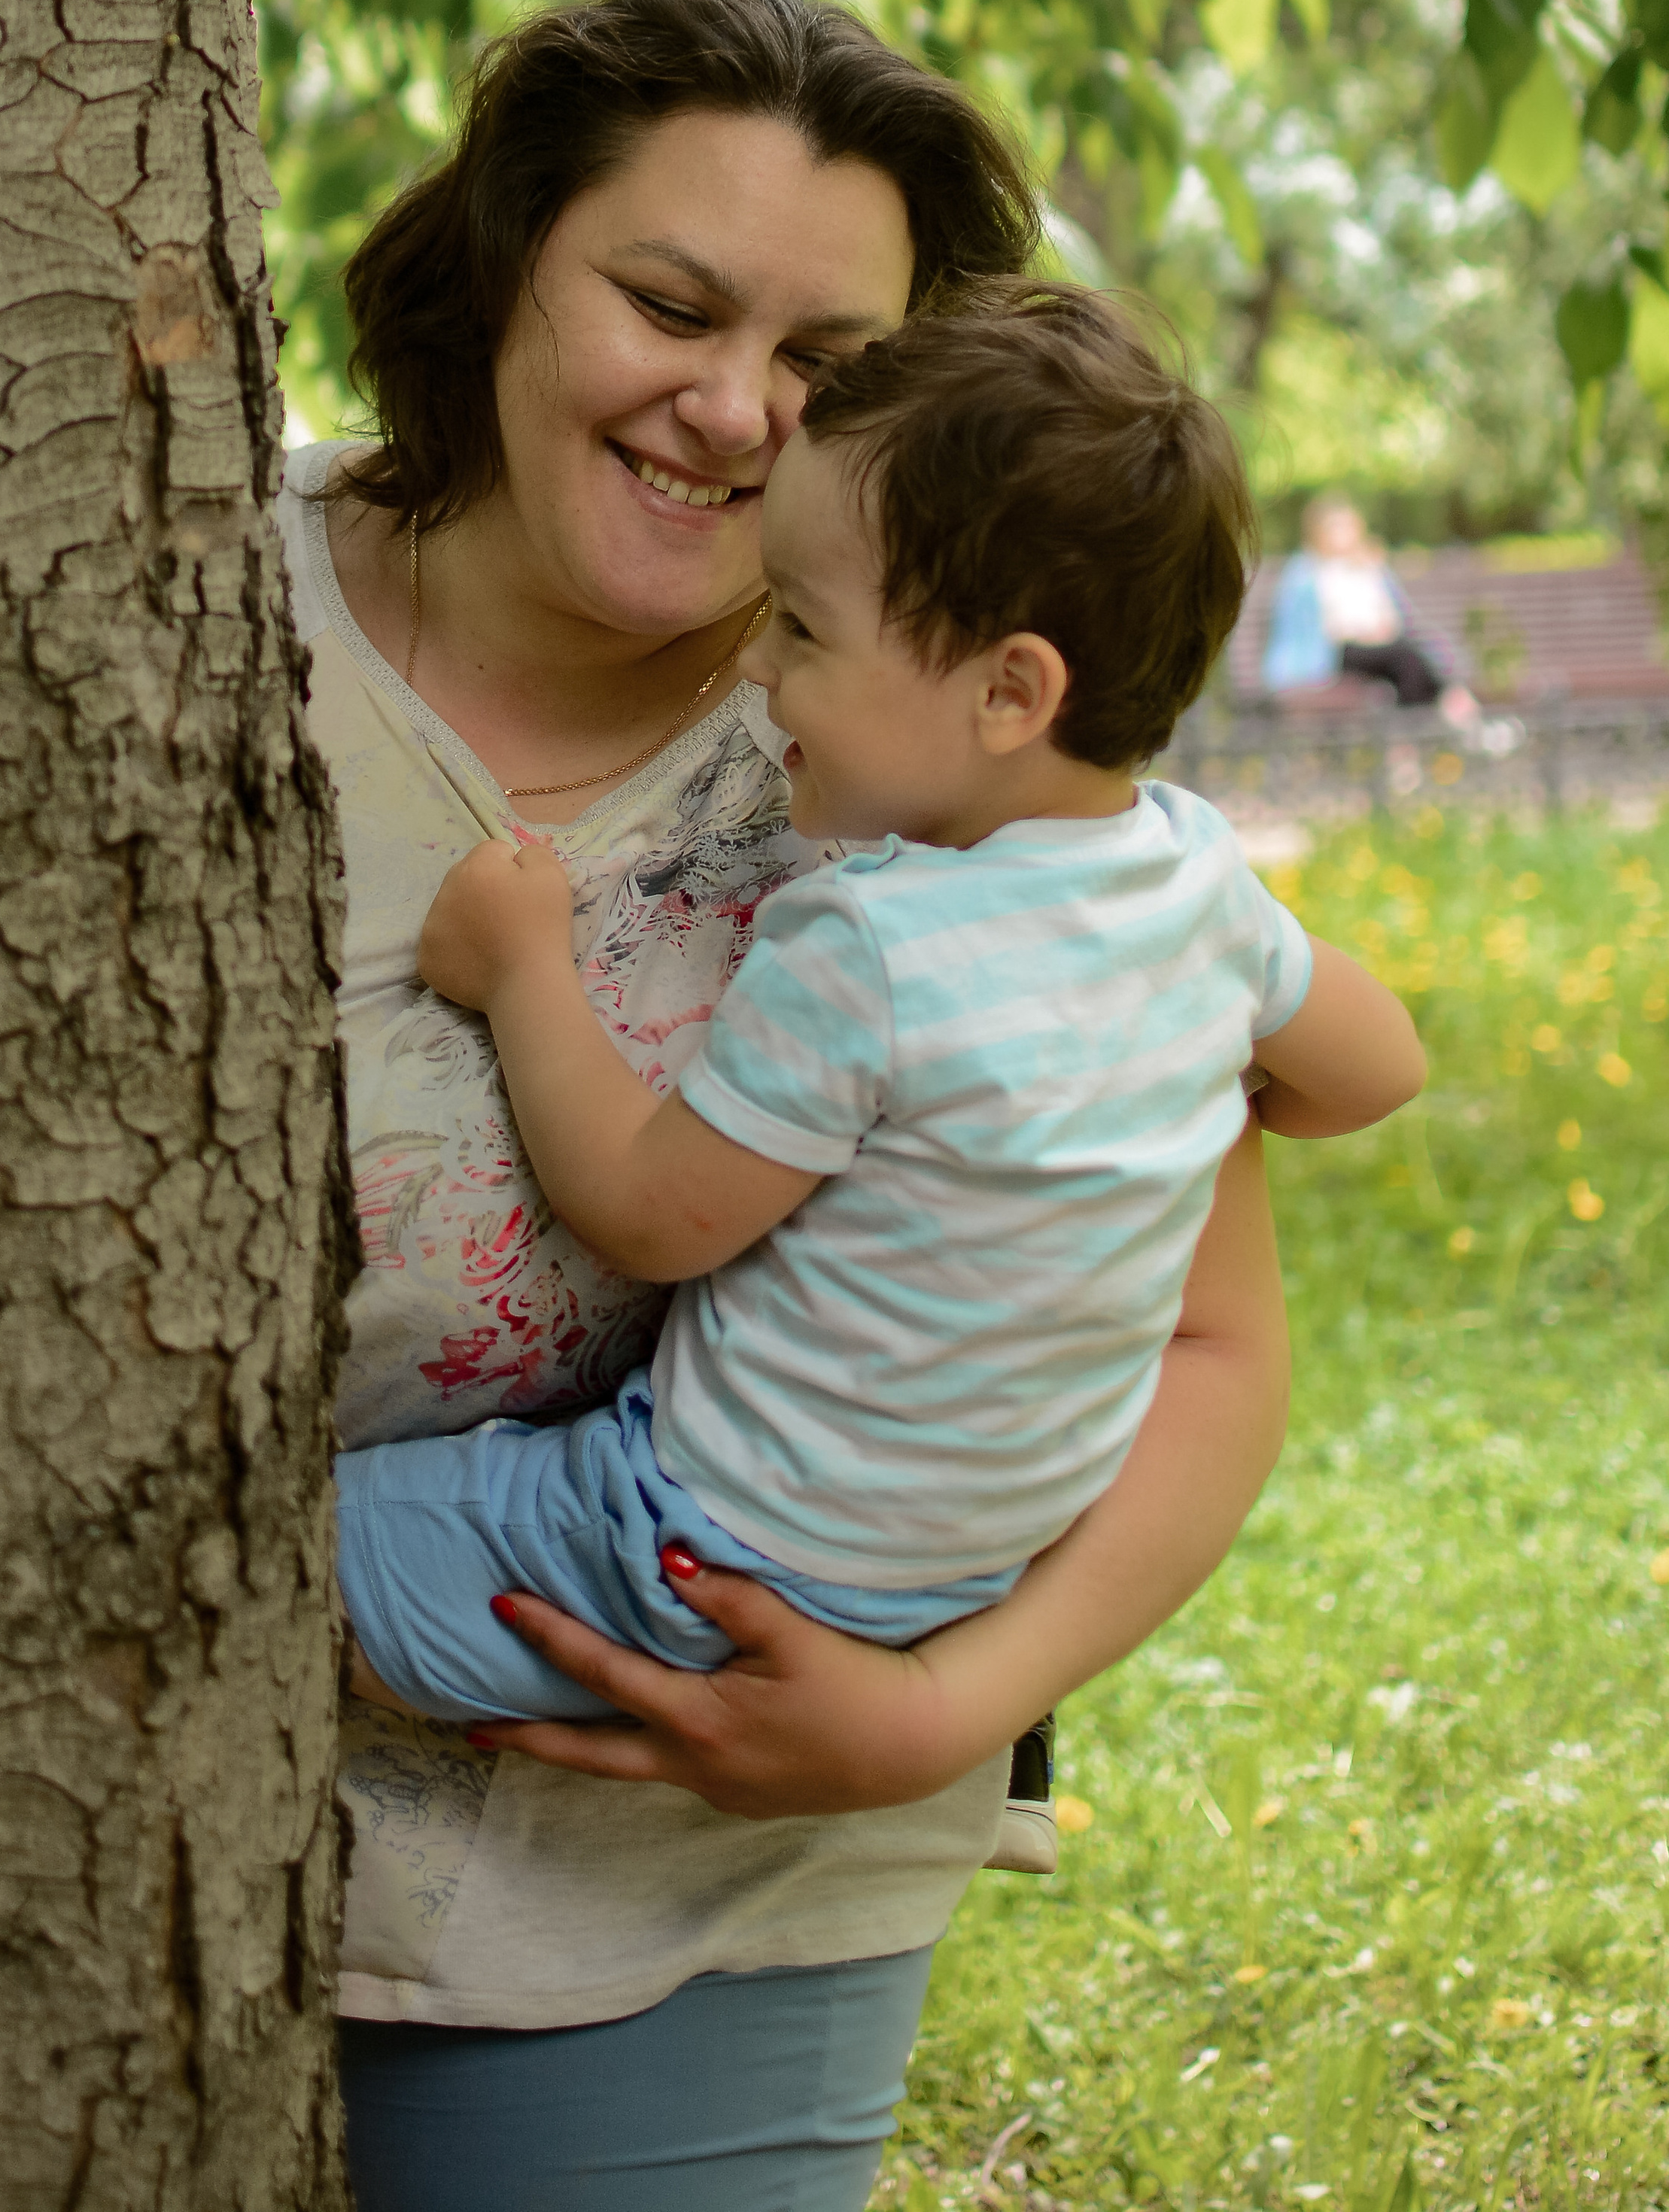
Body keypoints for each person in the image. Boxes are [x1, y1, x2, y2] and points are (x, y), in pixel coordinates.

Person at [284, 0, 1299, 2212]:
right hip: (51, 1820)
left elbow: (1214, 1348)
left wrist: (943, 1708)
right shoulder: (146, 596)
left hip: (687, 1905)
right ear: (503, 265)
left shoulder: (967, 790)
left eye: (827, 364)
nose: (734, 409)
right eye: (667, 304)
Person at [336, 287, 1425, 1731]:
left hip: (696, 1548)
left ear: (1009, 692)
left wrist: (525, 968)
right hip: (954, 1575)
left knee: (262, 1550)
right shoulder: (1197, 885)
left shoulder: (870, 944)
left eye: (803, 625)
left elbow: (655, 1214)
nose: (761, 663)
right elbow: (1378, 1070)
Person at [1261, 493, 1522, 753]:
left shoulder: (1370, 567)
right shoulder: (1306, 573)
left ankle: (1412, 744)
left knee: (1410, 665)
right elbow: (1312, 630)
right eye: (1336, 528)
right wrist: (1362, 632)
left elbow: (1398, 615)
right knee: (1407, 657)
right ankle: (1462, 726)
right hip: (1338, 653)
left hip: (1385, 649)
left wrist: (1380, 624)